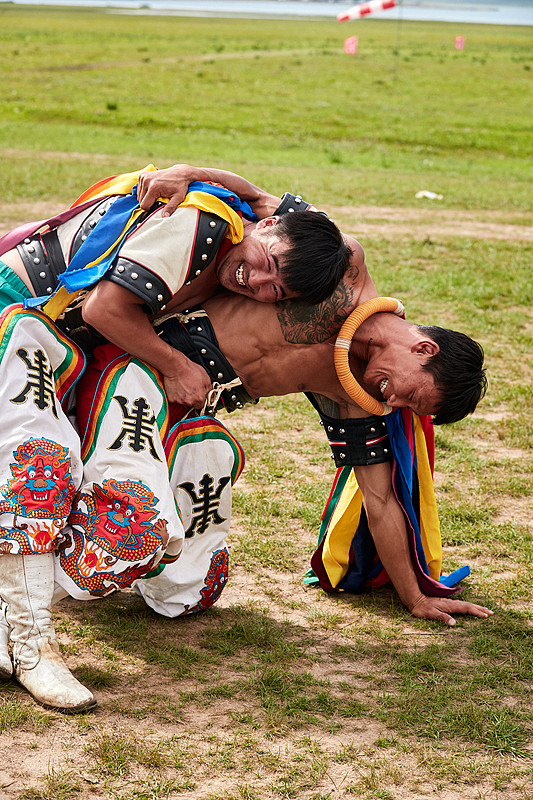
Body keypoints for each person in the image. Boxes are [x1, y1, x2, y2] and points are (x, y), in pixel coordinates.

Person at [0, 167, 350, 712]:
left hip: (54, 337)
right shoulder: (199, 224)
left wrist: (377, 313)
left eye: (276, 291)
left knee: (73, 476)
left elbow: (308, 224)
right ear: (266, 226)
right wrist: (177, 364)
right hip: (18, 315)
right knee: (40, 461)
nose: (257, 283)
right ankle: (30, 646)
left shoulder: (261, 225)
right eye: (269, 263)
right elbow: (102, 309)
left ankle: (15, 631)